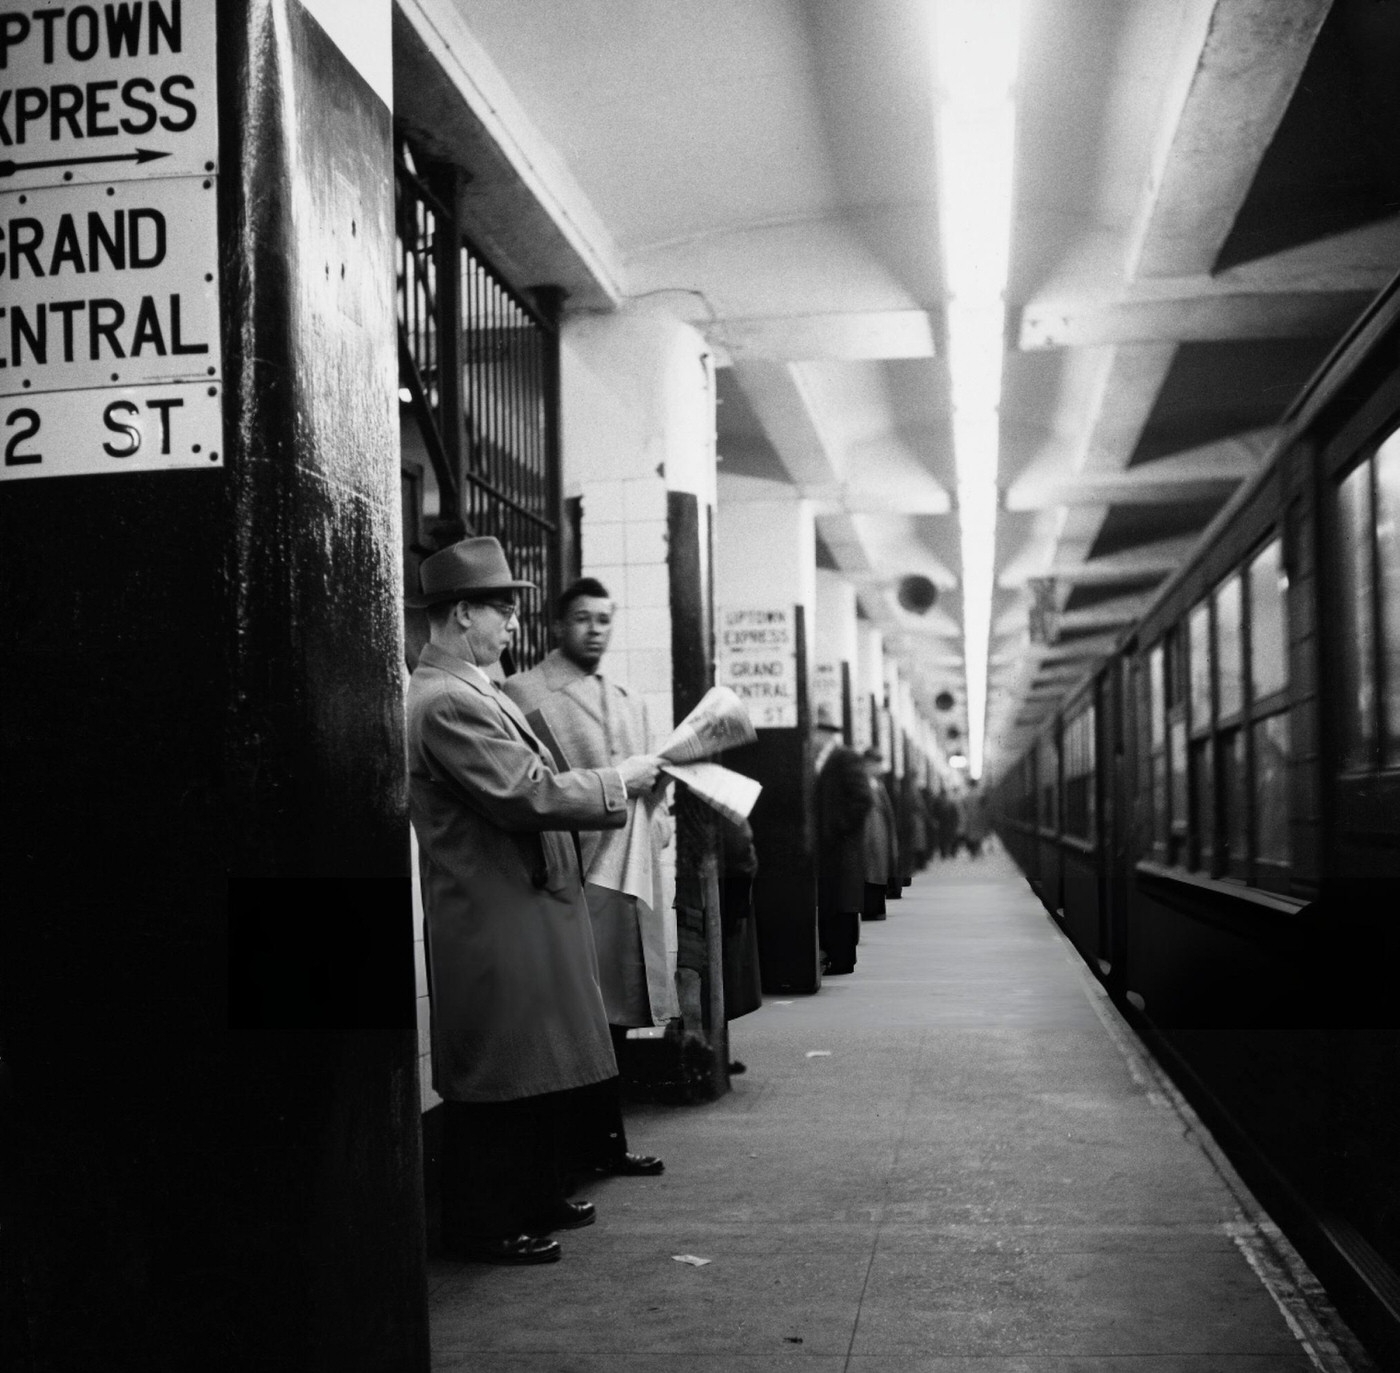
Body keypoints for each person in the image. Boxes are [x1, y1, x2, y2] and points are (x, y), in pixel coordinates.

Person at [405, 538, 663, 1266]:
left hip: (521, 901)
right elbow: (526, 792)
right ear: (461, 615)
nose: (513, 620)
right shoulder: (448, 700)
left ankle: (531, 1193)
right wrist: (618, 781)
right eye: (500, 606)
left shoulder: (470, 686)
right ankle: (484, 1222)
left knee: (537, 1058)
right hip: (492, 911)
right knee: (499, 1067)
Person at [503, 578, 679, 1142]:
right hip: (569, 874)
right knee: (576, 1012)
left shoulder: (627, 699)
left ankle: (606, 1138)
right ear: (557, 626)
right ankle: (578, 1144)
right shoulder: (523, 694)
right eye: (583, 618)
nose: (595, 629)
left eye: (605, 619)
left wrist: (662, 803)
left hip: (626, 876)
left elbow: (653, 786)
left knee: (618, 1010)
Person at [813, 707, 873, 976]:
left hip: (843, 846)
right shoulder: (824, 759)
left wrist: (837, 827)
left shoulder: (845, 758)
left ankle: (842, 959)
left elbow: (862, 799)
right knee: (834, 902)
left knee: (842, 902)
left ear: (822, 733)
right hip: (830, 847)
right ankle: (835, 956)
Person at [718, 814, 763, 1070]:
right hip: (732, 890)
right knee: (726, 969)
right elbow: (741, 844)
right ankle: (718, 1054)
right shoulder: (725, 803)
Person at [859, 748, 899, 922]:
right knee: (871, 870)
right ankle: (870, 909)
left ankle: (877, 907)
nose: (880, 768)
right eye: (877, 764)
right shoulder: (863, 783)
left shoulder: (877, 784)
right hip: (870, 833)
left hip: (880, 832)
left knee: (879, 870)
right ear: (868, 764)